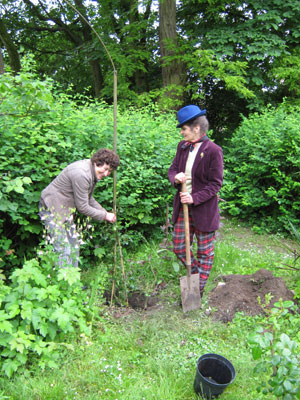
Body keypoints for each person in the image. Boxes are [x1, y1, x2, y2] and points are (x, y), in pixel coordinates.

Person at [168, 105, 223, 297]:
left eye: (184, 128)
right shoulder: (182, 147)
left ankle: (196, 290)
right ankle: (196, 274)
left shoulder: (214, 151)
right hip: (182, 207)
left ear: (196, 128)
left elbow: (215, 184)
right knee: (179, 246)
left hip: (204, 210)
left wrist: (194, 197)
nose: (182, 132)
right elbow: (173, 169)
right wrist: (175, 177)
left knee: (205, 251)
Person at [39, 148, 120, 268]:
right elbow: (83, 207)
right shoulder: (82, 174)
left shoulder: (92, 172)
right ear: (96, 162)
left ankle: (74, 283)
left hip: (64, 209)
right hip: (51, 207)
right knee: (63, 250)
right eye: (105, 169)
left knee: (73, 245)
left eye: (110, 171)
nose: (106, 174)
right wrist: (105, 216)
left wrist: (104, 212)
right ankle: (64, 285)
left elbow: (88, 198)